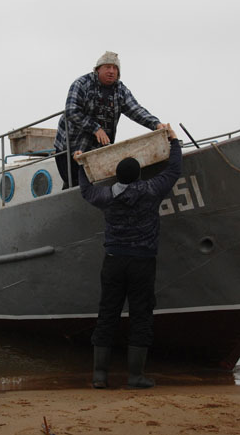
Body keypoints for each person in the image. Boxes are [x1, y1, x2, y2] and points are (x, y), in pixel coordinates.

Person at [74, 125, 182, 389]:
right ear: (139, 175)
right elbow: (173, 170)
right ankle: (135, 376)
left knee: (107, 313)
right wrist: (175, 141)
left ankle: (100, 376)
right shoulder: (151, 190)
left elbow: (86, 190)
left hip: (113, 261)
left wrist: (81, 164)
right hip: (142, 262)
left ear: (117, 176)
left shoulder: (107, 196)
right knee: (141, 315)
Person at [54, 51, 165, 189]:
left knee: (92, 185)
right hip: (70, 147)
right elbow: (71, 110)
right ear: (98, 69)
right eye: (107, 67)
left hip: (97, 150)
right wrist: (95, 128)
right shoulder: (81, 84)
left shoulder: (120, 90)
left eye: (115, 68)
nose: (111, 71)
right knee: (74, 184)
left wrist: (156, 124)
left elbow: (135, 110)